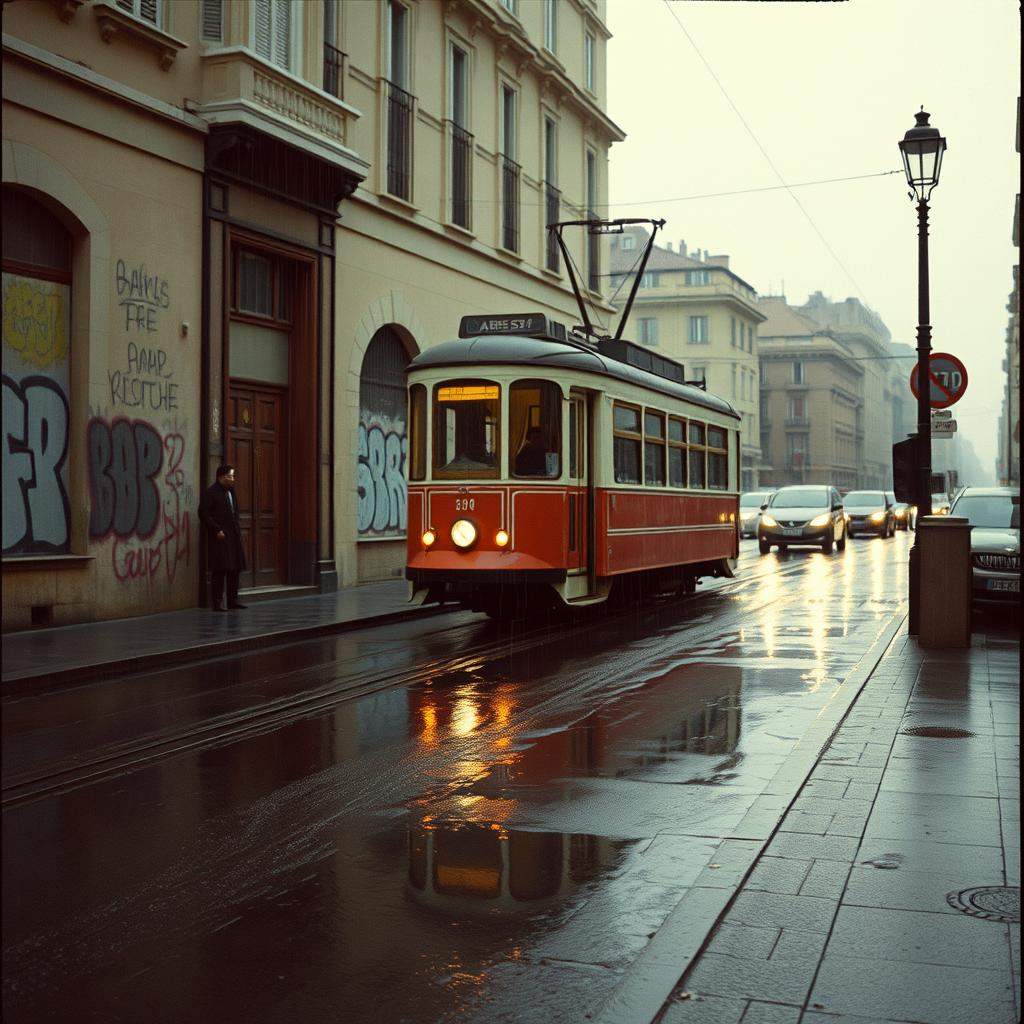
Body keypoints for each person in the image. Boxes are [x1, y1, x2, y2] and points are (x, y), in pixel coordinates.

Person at [199, 464, 247, 611]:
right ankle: (218, 602)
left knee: (235, 569)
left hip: (233, 535)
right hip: (220, 536)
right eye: (230, 476)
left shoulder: (231, 491)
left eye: (233, 476)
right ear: (221, 477)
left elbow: (234, 512)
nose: (233, 479)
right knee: (220, 570)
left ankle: (233, 601)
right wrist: (216, 529)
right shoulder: (211, 492)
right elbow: (203, 513)